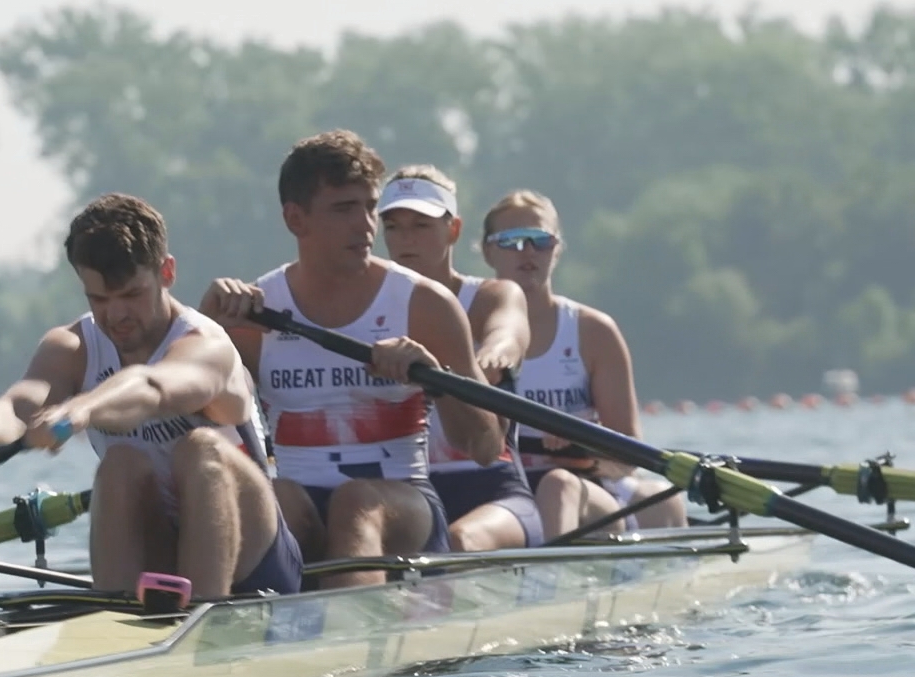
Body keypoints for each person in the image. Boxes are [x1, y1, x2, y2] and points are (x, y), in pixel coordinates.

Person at [0, 193, 301, 600]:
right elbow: (16, 406)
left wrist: (80, 410)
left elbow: (152, 387)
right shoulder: (72, 347)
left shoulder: (206, 344)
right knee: (120, 464)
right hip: (160, 541)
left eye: (131, 294)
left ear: (166, 272)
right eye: (99, 299)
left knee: (200, 449)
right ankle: (116, 626)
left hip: (257, 559)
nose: (116, 315)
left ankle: (202, 618)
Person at [201, 131, 504, 588]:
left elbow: (483, 447)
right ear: (295, 219)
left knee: (355, 500)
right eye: (344, 209)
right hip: (298, 501)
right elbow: (180, 423)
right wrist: (206, 325)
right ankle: (212, 623)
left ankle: (348, 641)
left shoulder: (425, 305)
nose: (365, 226)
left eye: (369, 207)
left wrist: (435, 377)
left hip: (405, 505)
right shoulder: (252, 312)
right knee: (265, 495)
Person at [481, 189, 688, 537]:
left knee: (572, 486)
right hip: (505, 486)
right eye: (512, 241)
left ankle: (546, 581)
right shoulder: (468, 328)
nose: (528, 251)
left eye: (540, 240)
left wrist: (583, 452)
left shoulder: (593, 332)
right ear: (488, 251)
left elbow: (628, 452)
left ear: (557, 249)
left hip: (586, 486)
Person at [378, 165, 543, 552]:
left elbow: (508, 336)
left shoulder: (492, 296)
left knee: (458, 541)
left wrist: (487, 358)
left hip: (492, 490)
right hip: (407, 491)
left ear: (453, 230)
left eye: (420, 225)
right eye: (394, 227)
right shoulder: (367, 307)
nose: (405, 240)